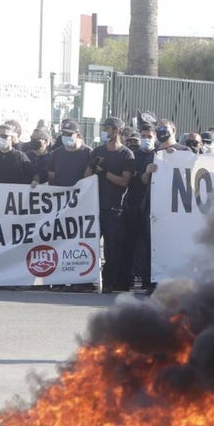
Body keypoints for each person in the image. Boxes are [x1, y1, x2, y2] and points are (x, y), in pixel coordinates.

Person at [91, 116, 136, 293]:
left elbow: (124, 181)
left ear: (116, 131)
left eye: (107, 129)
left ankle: (109, 282)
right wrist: (93, 166)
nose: (104, 132)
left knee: (113, 248)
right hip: (95, 207)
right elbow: (87, 174)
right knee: (89, 244)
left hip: (114, 209)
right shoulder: (97, 151)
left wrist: (104, 173)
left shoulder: (126, 154)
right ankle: (87, 280)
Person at [126, 121, 158, 293]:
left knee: (149, 243)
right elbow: (135, 179)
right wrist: (145, 173)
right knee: (131, 242)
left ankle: (148, 279)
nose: (146, 139)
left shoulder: (161, 155)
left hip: (153, 206)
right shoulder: (133, 155)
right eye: (143, 137)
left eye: (149, 137)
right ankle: (128, 276)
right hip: (134, 203)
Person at [45, 120, 92, 187]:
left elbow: (90, 179)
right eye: (63, 134)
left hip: (81, 195)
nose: (65, 136)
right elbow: (51, 177)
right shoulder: (55, 154)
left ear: (78, 135)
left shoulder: (88, 153)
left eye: (69, 134)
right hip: (62, 195)